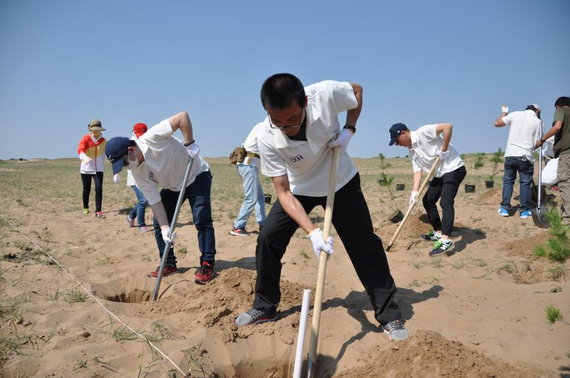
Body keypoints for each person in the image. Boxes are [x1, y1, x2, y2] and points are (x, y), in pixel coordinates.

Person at [235, 73, 408, 340]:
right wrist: (313, 232)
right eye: (278, 122)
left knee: (364, 245)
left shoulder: (324, 94)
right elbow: (282, 192)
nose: (287, 127)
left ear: (304, 102)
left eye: (292, 119)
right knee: (268, 238)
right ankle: (265, 306)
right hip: (299, 188)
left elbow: (358, 91)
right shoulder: (265, 136)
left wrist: (350, 129)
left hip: (340, 181)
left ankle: (389, 316)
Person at [105, 112, 217, 284]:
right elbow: (155, 202)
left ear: (131, 150)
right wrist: (166, 229)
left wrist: (189, 143)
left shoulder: (153, 137)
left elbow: (182, 118)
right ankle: (169, 263)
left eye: (125, 162)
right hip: (173, 186)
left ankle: (207, 263)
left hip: (195, 175)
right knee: (159, 224)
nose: (126, 168)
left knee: (201, 218)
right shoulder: (137, 174)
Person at [388, 122, 466, 256]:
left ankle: (445, 240)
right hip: (440, 173)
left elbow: (448, 126)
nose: (397, 144)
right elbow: (417, 172)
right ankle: (438, 232)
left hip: (453, 168)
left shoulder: (423, 132)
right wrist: (414, 192)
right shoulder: (411, 151)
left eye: (397, 141)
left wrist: (444, 149)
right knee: (428, 200)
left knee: (446, 202)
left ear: (403, 133)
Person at [494, 104, 542, 219]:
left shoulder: (515, 114)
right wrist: (530, 148)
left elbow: (497, 123)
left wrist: (505, 112)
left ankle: (505, 208)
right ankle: (524, 211)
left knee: (508, 182)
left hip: (511, 154)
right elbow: (538, 142)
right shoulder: (539, 122)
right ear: (537, 111)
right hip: (526, 156)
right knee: (525, 183)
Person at [536, 96, 570, 221]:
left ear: (557, 106)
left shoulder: (561, 111)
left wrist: (542, 140)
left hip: (567, 153)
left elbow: (557, 126)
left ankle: (568, 216)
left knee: (565, 182)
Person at [230, 123, 267, 236]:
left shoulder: (262, 126)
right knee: (251, 198)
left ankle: (263, 223)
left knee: (260, 196)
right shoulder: (264, 127)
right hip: (249, 165)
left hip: (248, 165)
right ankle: (238, 226)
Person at [77, 119, 107, 218]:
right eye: (94, 130)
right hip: (86, 169)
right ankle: (85, 207)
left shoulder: (103, 141)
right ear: (90, 129)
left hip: (98, 169)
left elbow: (107, 153)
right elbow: (80, 149)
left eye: (98, 130)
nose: (96, 132)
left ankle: (98, 210)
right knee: (87, 189)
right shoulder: (85, 138)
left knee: (99, 189)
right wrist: (84, 157)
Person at [124, 123, 150, 233]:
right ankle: (141, 224)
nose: (141, 136)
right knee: (144, 200)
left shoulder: (146, 140)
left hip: (144, 177)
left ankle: (130, 217)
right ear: (134, 132)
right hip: (134, 178)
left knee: (143, 201)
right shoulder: (129, 144)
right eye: (139, 134)